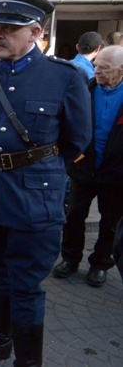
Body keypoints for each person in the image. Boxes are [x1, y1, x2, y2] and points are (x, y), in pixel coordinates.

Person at [0, 0, 91, 367]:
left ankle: (28, 362)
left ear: (36, 32)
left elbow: (76, 141)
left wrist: (37, 172)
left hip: (36, 199)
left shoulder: (64, 76)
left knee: (26, 285)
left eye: (8, 28)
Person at [52, 45, 123, 287]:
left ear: (121, 70)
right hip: (83, 168)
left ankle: (100, 263)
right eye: (96, 65)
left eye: (104, 67)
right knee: (72, 216)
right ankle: (70, 259)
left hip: (116, 174)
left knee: (110, 222)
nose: (97, 70)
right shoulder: (86, 90)